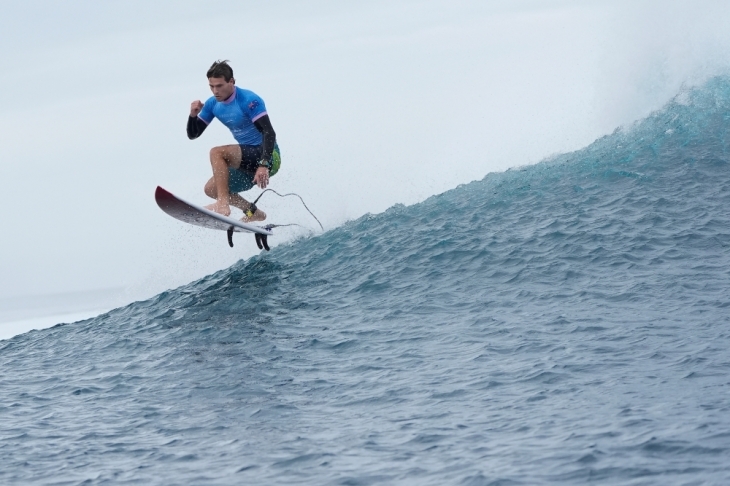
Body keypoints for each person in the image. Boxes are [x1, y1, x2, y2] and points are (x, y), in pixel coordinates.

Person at [187, 60, 280, 222]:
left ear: (232, 82)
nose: (215, 91)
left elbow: (269, 132)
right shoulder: (212, 104)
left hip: (268, 155)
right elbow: (193, 134)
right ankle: (253, 212)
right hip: (246, 162)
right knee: (211, 189)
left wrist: (263, 164)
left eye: (219, 86)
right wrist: (193, 116)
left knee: (217, 152)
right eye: (211, 86)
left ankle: (222, 204)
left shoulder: (249, 100)